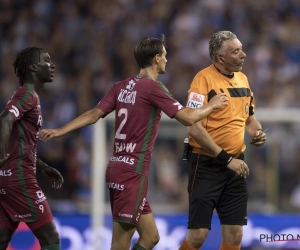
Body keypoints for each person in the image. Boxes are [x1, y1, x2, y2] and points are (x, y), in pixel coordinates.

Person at [39, 35, 228, 250]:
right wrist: (212, 105)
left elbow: (93, 114)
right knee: (120, 244)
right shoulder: (154, 88)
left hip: (119, 169)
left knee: (150, 237)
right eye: (165, 55)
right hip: (132, 172)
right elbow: (188, 118)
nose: (167, 59)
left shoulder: (121, 86)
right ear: (156, 58)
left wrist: (59, 131)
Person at [178, 30, 267, 250]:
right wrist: (227, 160)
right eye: (236, 51)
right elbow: (194, 128)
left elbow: (249, 118)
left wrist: (258, 133)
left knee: (235, 235)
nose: (243, 54)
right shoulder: (203, 80)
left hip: (236, 167)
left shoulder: (243, 79)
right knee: (198, 236)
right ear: (221, 58)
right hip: (206, 164)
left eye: (241, 49)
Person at [0, 47, 64, 250]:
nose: (52, 65)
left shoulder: (29, 96)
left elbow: (18, 142)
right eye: (46, 60)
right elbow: (4, 120)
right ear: (33, 67)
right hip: (19, 180)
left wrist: (43, 166)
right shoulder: (27, 93)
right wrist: (0, 155)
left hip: (7, 180)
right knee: (51, 239)